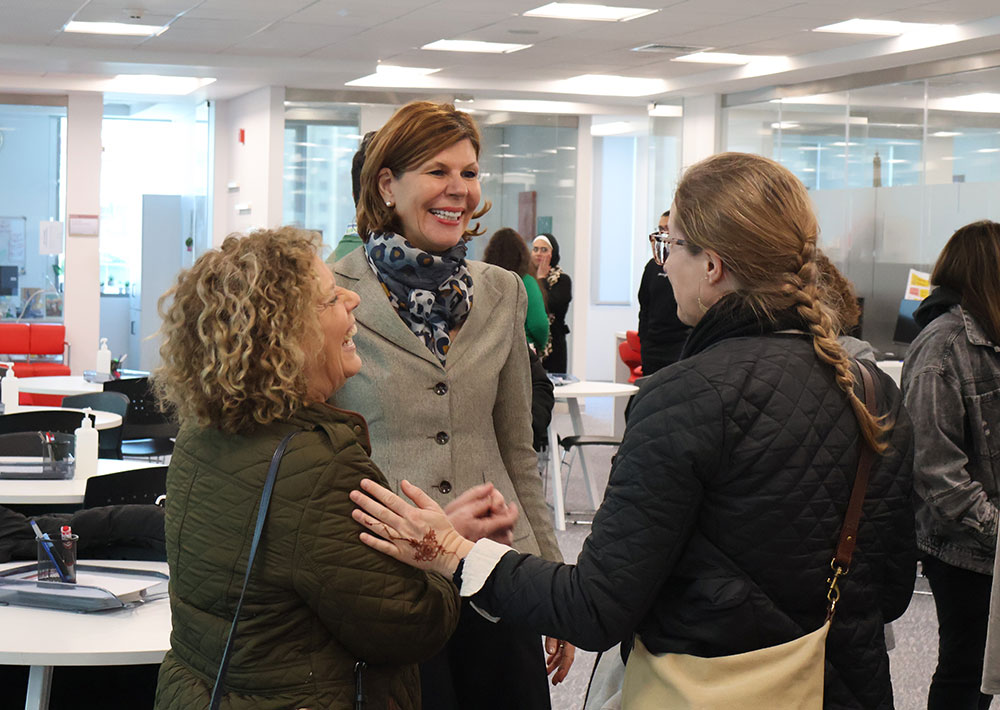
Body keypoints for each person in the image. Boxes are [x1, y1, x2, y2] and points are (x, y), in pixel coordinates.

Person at [352, 152, 918, 710]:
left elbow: (595, 606)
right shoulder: (871, 391)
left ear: (713, 265)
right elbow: (891, 590)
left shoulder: (684, 399)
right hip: (844, 685)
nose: (665, 265)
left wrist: (453, 552)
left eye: (670, 248)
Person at [152, 228, 459, 710]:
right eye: (333, 297)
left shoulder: (200, 432)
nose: (354, 299)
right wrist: (440, 554)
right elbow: (409, 625)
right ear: (289, 336)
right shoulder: (319, 466)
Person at [331, 101, 572, 710]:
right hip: (390, 587)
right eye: (438, 171)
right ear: (388, 184)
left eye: (469, 172)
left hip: (494, 578)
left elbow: (518, 449)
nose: (458, 190)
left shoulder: (503, 292)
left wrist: (552, 582)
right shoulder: (331, 294)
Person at [901, 220, 1000, 710]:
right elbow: (936, 472)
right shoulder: (942, 346)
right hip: (966, 550)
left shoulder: (990, 336)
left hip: (989, 544)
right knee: (967, 673)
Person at [639, 210, 690, 375]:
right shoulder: (653, 266)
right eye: (660, 229)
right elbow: (644, 306)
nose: (663, 234)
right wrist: (644, 340)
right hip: (652, 347)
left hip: (680, 347)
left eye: (667, 229)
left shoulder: (689, 266)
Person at [483, 227, 549, 352]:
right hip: (520, 350)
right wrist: (538, 346)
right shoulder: (526, 282)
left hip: (487, 352)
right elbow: (539, 325)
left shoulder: (483, 280)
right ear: (522, 254)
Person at [532, 233, 572, 373]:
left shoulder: (563, 280)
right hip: (532, 343)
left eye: (544, 250)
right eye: (535, 249)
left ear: (553, 253)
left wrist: (541, 279)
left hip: (555, 344)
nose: (538, 254)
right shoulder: (526, 278)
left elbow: (549, 305)